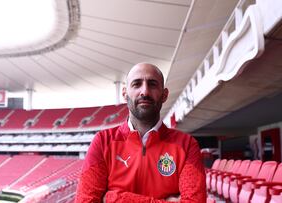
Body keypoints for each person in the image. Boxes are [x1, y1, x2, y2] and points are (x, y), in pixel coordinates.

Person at [75, 63, 206, 202]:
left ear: (164, 95)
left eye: (152, 84)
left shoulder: (187, 145)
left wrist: (114, 198)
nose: (145, 91)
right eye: (137, 84)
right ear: (125, 94)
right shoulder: (103, 141)